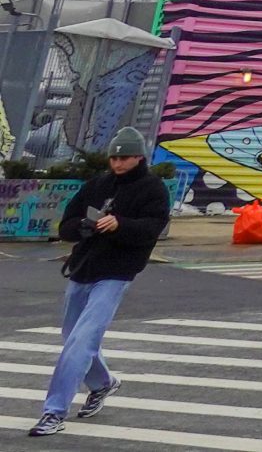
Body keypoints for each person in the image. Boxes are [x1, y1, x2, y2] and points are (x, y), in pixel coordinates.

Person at [33, 128, 168, 437]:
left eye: (125, 157)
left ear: (139, 157)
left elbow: (153, 228)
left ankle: (54, 412)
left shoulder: (153, 188)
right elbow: (66, 225)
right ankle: (103, 383)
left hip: (116, 273)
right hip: (82, 268)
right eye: (114, 158)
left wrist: (120, 224)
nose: (118, 163)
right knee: (72, 336)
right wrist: (83, 226)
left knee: (82, 341)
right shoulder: (97, 185)